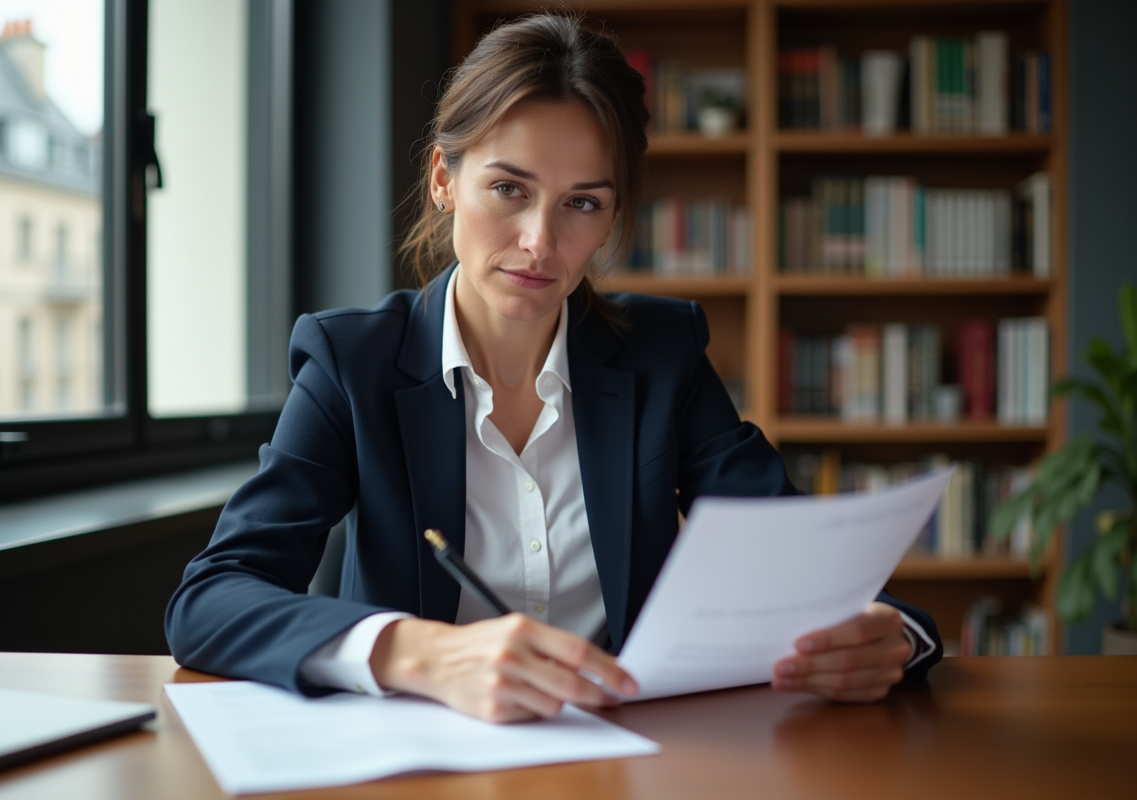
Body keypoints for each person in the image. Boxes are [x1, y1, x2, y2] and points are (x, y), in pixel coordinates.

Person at [165, 13, 940, 723]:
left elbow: (802, 559)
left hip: (632, 752)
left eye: (583, 204)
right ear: (443, 181)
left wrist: (892, 635)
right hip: (421, 763)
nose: (541, 240)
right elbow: (211, 599)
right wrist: (420, 652)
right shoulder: (351, 364)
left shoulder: (661, 354)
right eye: (508, 188)